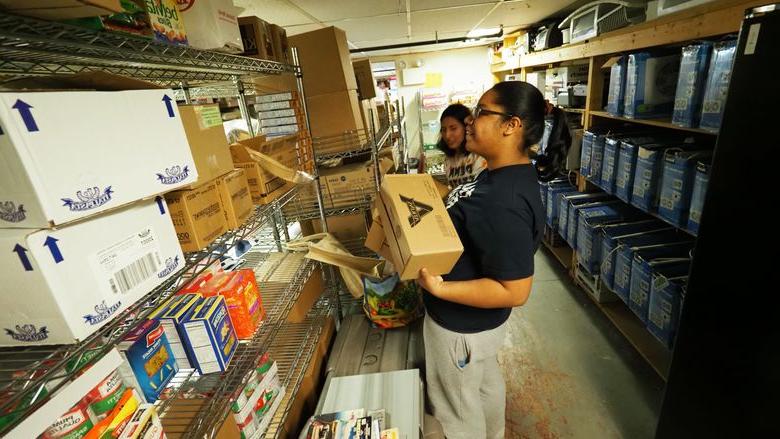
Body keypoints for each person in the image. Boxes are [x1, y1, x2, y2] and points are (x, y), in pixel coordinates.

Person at [416, 81, 570, 439]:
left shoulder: (505, 198)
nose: (471, 120)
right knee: (483, 387)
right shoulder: (501, 173)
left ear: (511, 125)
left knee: (456, 412)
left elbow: (514, 291)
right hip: (475, 330)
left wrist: (440, 288)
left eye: (483, 112)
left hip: (460, 328)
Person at [436, 103, 487, 187]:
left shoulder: (480, 154)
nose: (447, 135)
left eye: (453, 128)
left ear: (466, 127)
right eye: (444, 130)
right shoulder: (449, 159)